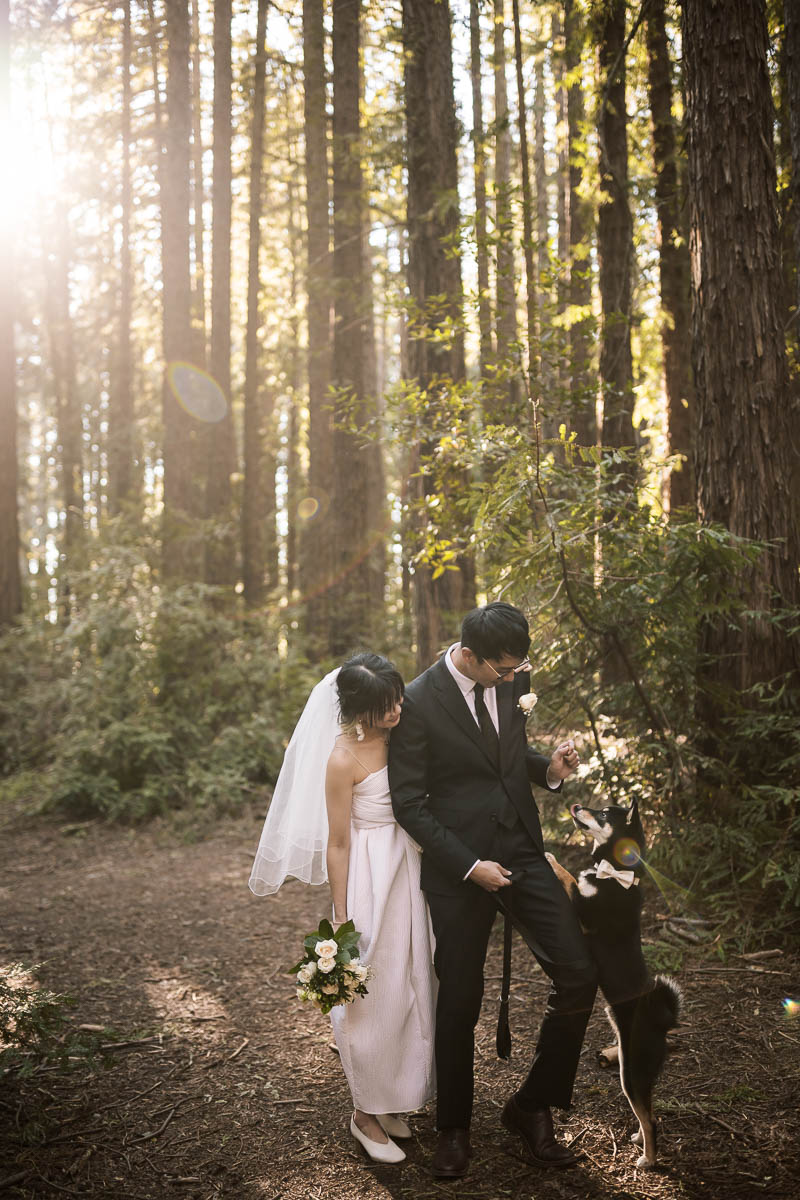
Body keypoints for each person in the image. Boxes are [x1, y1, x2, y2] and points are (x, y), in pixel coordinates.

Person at [389, 602, 597, 1179]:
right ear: (471, 656)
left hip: (526, 851)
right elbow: (409, 802)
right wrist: (468, 865)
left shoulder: (511, 675)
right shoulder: (419, 701)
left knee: (579, 975)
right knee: (460, 998)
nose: (514, 678)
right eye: (504, 671)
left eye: (517, 669)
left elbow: (503, 760)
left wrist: (548, 769)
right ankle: (454, 1126)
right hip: (460, 867)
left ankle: (531, 1106)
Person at [249, 653, 435, 1165]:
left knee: (411, 986)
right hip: (370, 874)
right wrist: (342, 911)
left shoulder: (403, 731)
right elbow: (337, 843)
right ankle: (363, 1114)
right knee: (368, 997)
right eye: (384, 706)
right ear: (357, 709)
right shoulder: (340, 759)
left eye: (398, 699)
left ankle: (392, 1097)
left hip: (411, 868)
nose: (397, 711)